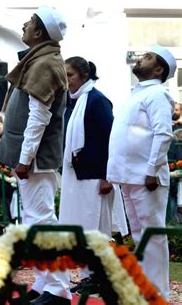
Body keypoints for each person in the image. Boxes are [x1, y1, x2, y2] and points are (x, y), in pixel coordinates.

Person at [0, 6, 71, 304]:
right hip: (31, 160)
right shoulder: (38, 62)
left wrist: (25, 159)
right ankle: (44, 283)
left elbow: (38, 119)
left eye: (28, 23)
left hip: (36, 161)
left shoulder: (45, 65)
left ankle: (59, 289)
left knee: (42, 221)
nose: (24, 26)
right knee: (34, 220)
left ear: (39, 33)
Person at [107, 45, 177, 300]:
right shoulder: (137, 94)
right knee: (140, 236)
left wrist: (151, 170)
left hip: (146, 178)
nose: (140, 59)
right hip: (129, 176)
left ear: (158, 69)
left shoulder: (157, 94)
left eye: (147, 57)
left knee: (153, 236)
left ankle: (159, 294)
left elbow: (163, 134)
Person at [58, 57, 116, 292]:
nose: (67, 80)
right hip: (77, 175)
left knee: (95, 227)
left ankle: (99, 276)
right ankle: (88, 275)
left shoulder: (97, 100)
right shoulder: (74, 101)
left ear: (84, 75)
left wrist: (107, 176)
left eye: (70, 75)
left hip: (95, 175)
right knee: (81, 227)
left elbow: (110, 139)